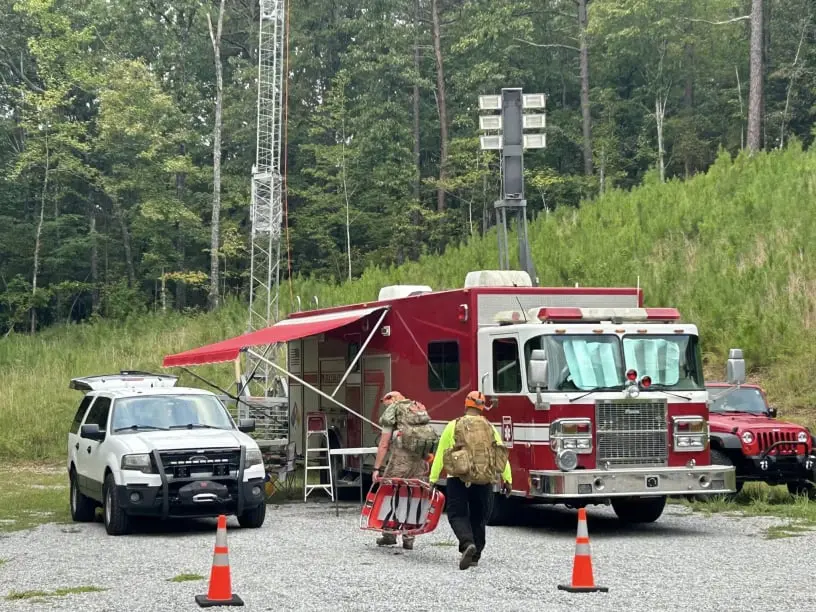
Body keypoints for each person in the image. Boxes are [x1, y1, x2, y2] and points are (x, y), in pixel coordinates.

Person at [429, 390, 512, 570]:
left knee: (457, 514)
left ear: (466, 405)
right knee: (478, 517)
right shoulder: (488, 426)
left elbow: (441, 453)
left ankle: (467, 544)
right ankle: (476, 555)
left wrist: (433, 478)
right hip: (484, 479)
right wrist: (507, 478)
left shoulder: (454, 425)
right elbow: (501, 453)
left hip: (457, 477)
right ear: (482, 407)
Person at [371, 391, 438, 550]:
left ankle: (389, 534)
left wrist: (377, 468)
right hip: (419, 463)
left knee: (389, 492)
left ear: (392, 399)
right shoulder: (417, 408)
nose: (385, 405)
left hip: (400, 462)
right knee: (415, 495)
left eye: (385, 401)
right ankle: (409, 538)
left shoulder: (393, 410)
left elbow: (384, 444)